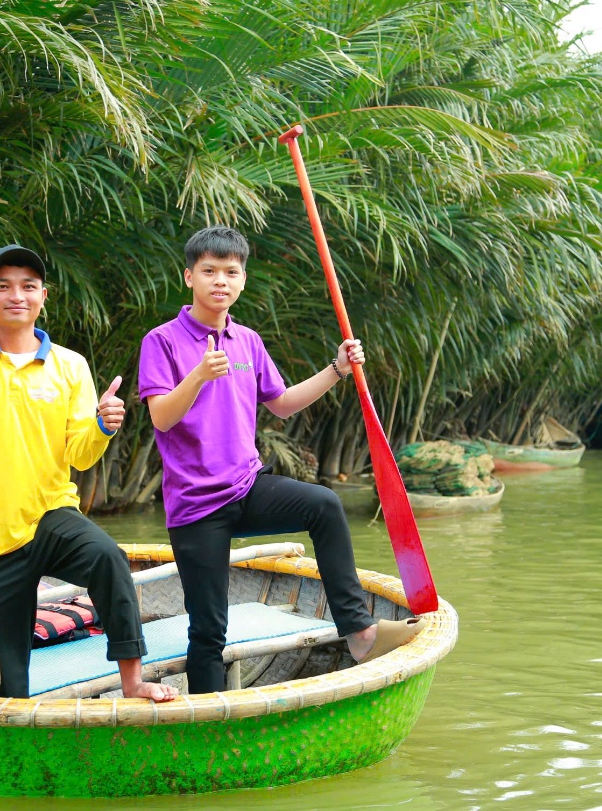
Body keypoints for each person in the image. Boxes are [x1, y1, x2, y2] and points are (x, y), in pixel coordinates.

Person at [139, 226, 423, 694]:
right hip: (195, 507)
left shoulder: (247, 340)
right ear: (189, 277)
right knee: (209, 628)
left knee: (324, 505)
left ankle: (359, 633)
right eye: (209, 271)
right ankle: (208, 721)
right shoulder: (163, 341)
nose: (220, 281)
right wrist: (197, 377)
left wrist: (337, 369)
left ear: (243, 280)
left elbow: (283, 403)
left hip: (246, 486)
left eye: (231, 272)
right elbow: (162, 419)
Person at [0, 244, 177, 702]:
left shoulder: (70, 365)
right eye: (3, 287)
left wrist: (102, 425)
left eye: (28, 286)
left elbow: (81, 454)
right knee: (7, 688)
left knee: (108, 558)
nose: (17, 295)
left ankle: (133, 682)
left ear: (43, 296)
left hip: (50, 515)